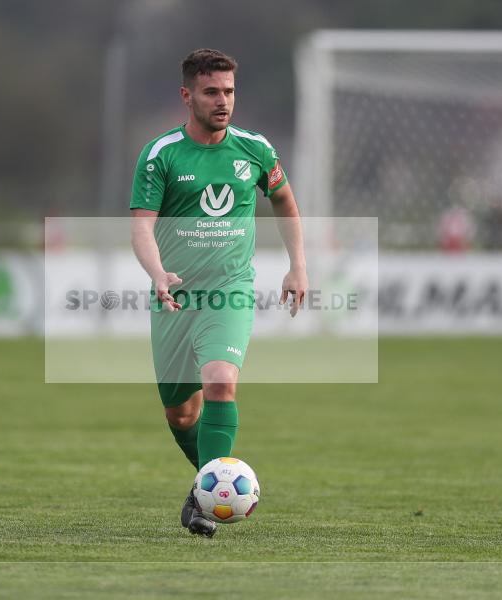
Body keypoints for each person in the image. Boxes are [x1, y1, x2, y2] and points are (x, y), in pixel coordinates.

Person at [130, 49, 307, 537]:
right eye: (211, 92)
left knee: (221, 382)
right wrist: (158, 273)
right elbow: (141, 229)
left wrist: (298, 265)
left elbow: (285, 201)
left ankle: (208, 501)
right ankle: (204, 481)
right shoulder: (161, 154)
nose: (223, 101)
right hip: (174, 295)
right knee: (180, 411)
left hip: (229, 291)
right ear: (187, 96)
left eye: (229, 91)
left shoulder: (255, 149)